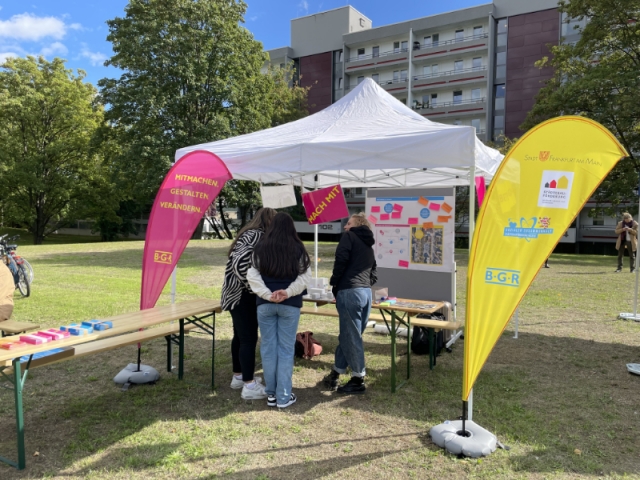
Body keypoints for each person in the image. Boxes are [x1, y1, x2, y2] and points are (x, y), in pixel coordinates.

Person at [247, 212, 311, 408]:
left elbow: (252, 276)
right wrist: (288, 292)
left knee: (268, 348)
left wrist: (268, 295)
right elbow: (304, 278)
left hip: (265, 304)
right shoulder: (298, 248)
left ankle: (271, 394)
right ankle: (283, 396)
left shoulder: (260, 248)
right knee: (285, 349)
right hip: (290, 305)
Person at [221, 207, 277, 400]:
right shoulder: (256, 235)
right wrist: (254, 287)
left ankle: (239, 376)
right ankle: (249, 385)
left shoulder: (248, 234)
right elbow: (240, 264)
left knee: (240, 336)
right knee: (248, 339)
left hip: (234, 294)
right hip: (242, 295)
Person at [324, 213, 377, 394]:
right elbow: (374, 272)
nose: (345, 226)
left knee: (351, 336)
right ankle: (336, 372)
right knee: (349, 335)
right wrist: (363, 285)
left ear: (357, 225)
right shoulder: (368, 244)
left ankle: (357, 379)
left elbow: (341, 259)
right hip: (365, 293)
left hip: (350, 291)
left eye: (349, 223)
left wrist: (335, 283)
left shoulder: (349, 237)